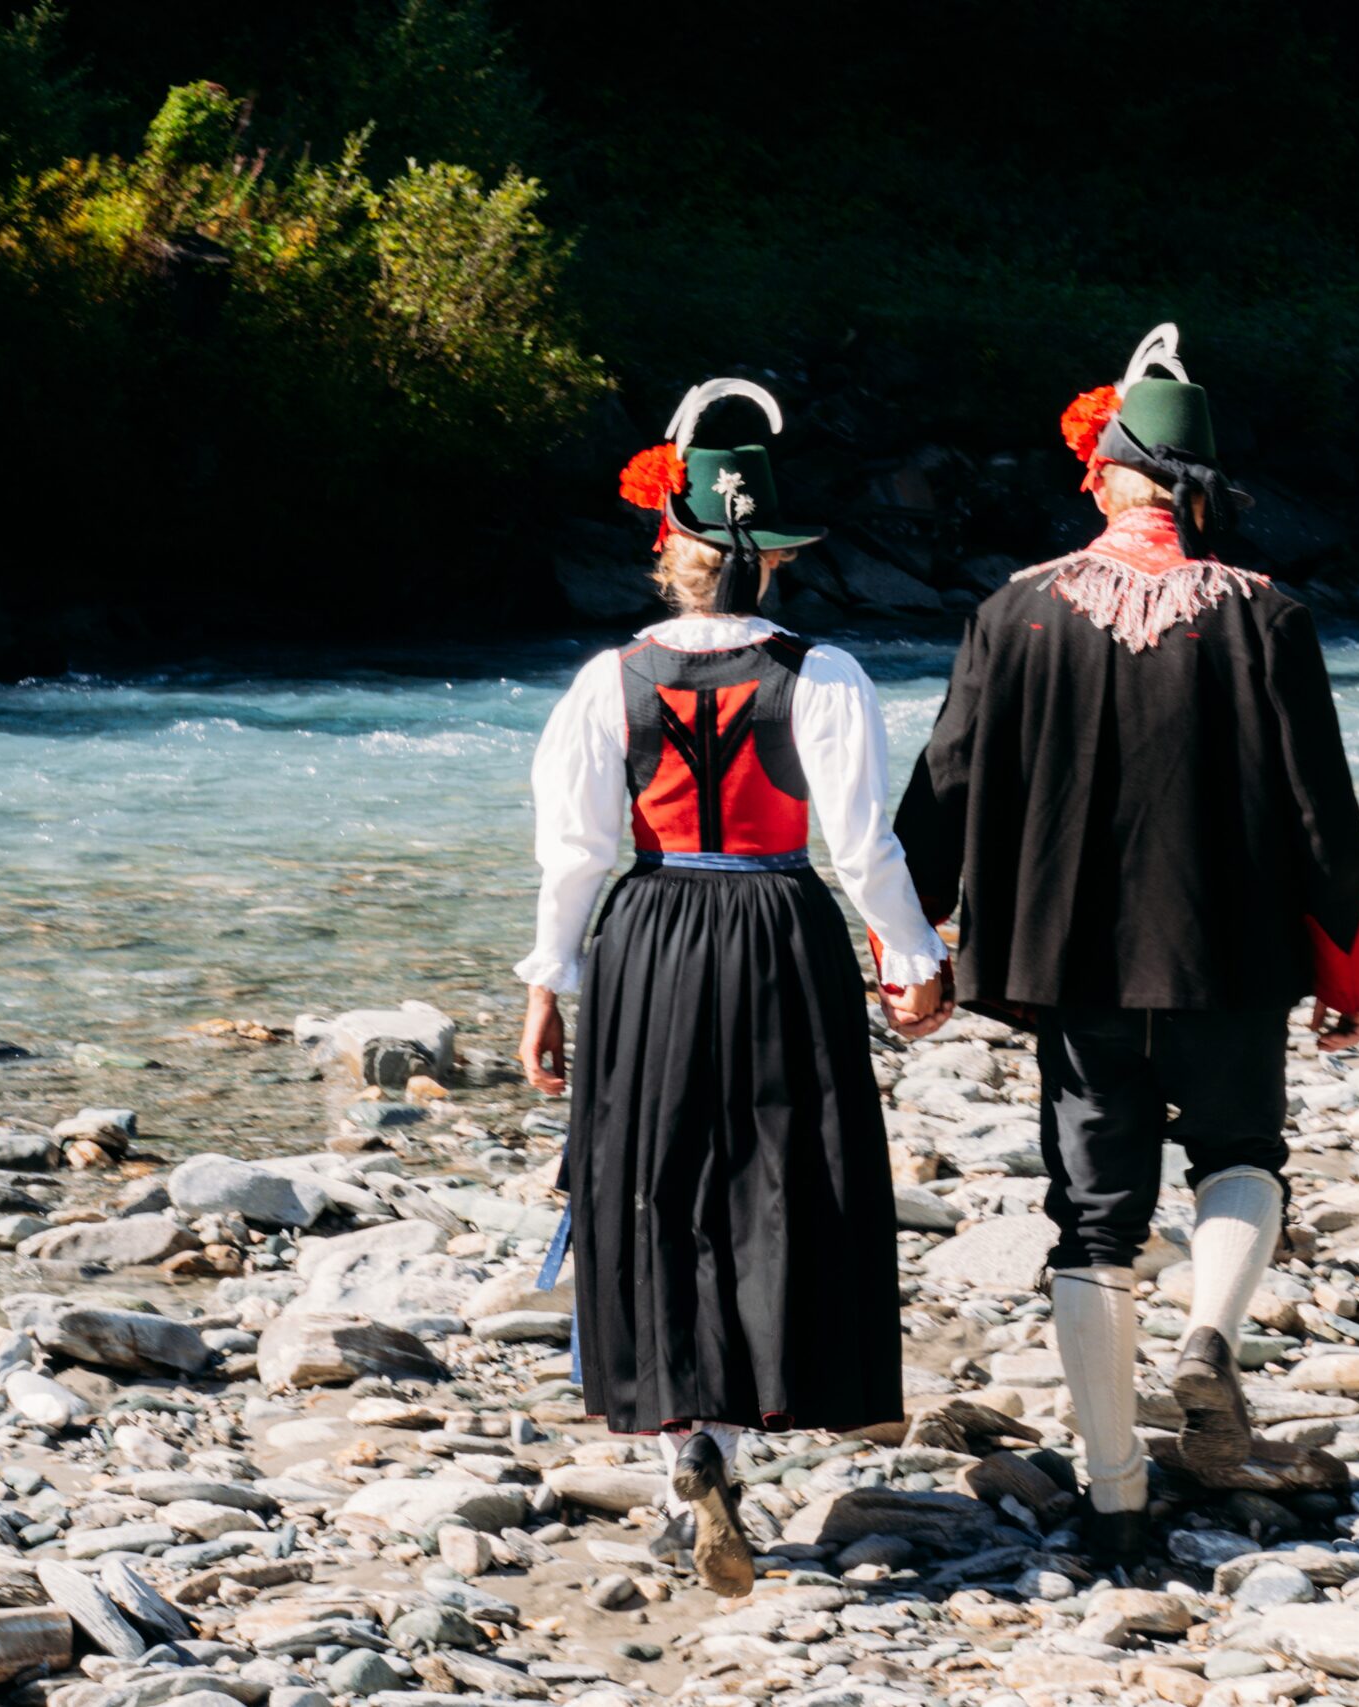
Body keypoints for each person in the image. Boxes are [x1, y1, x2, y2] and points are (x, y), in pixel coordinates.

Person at [891, 326, 1359, 1565]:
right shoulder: (1266, 614)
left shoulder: (1011, 613)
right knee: (1240, 1153)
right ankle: (1209, 1338)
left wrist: (917, 946)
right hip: (1229, 952)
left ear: (1104, 474)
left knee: (1094, 1219)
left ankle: (1114, 1493)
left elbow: (940, 791)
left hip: (1069, 963)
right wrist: (1348, 971)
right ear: (1199, 487)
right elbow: (1324, 812)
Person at [515, 378, 950, 1597]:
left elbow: (578, 852)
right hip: (777, 926)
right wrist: (913, 963)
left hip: (651, 931)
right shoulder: (825, 674)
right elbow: (865, 848)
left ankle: (684, 1444)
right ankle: (741, 1436)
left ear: (670, 554)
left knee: (654, 1173)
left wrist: (549, 980)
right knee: (774, 1172)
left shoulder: (608, 681)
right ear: (775, 567)